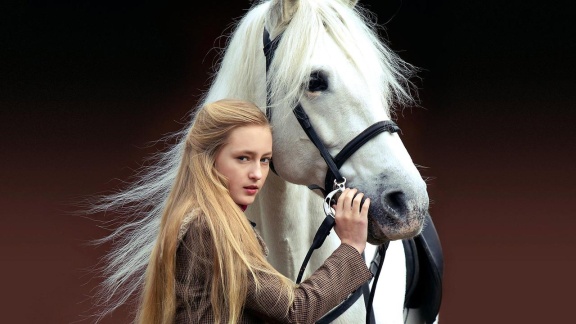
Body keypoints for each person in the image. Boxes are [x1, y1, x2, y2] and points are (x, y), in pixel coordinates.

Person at [136, 99, 372, 324]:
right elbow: (295, 310)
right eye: (243, 158)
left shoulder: (200, 219)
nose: (257, 174)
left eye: (264, 160)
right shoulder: (208, 227)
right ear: (207, 159)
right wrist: (351, 246)